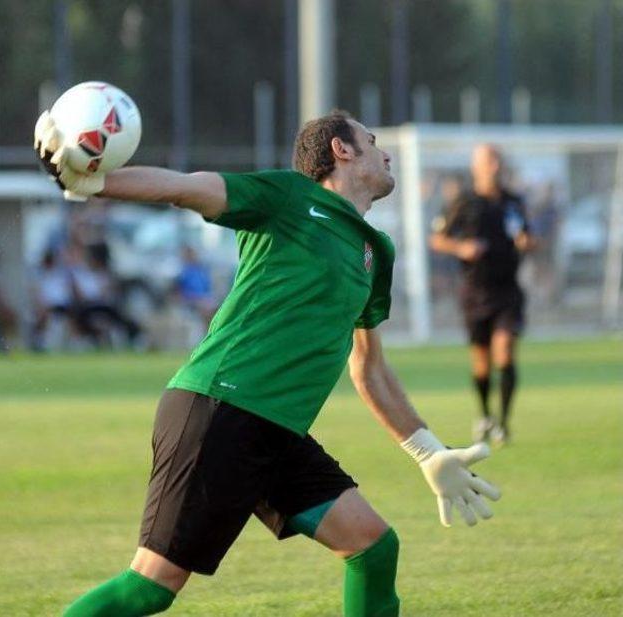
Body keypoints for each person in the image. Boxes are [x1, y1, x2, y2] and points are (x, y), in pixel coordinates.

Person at [35, 109, 501, 617]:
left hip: (277, 429)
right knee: (151, 586)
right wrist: (92, 181)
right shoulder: (287, 197)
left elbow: (369, 369)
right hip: (221, 406)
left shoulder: (375, 251)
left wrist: (428, 452)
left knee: (372, 547)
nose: (386, 152)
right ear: (341, 150)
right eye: (372, 141)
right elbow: (184, 188)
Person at [430, 144, 535, 446]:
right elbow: (437, 239)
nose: (495, 165)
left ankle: (503, 422)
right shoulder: (463, 202)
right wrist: (461, 248)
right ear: (477, 167)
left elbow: (526, 235)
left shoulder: (514, 202)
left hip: (508, 291)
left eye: (497, 159)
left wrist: (528, 242)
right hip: (474, 293)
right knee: (481, 364)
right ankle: (485, 415)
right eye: (488, 160)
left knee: (504, 352)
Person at [174, 246, 218, 328]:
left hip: (205, 299)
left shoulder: (201, 270)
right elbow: (179, 293)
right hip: (192, 300)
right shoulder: (183, 272)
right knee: (206, 309)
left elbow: (208, 288)